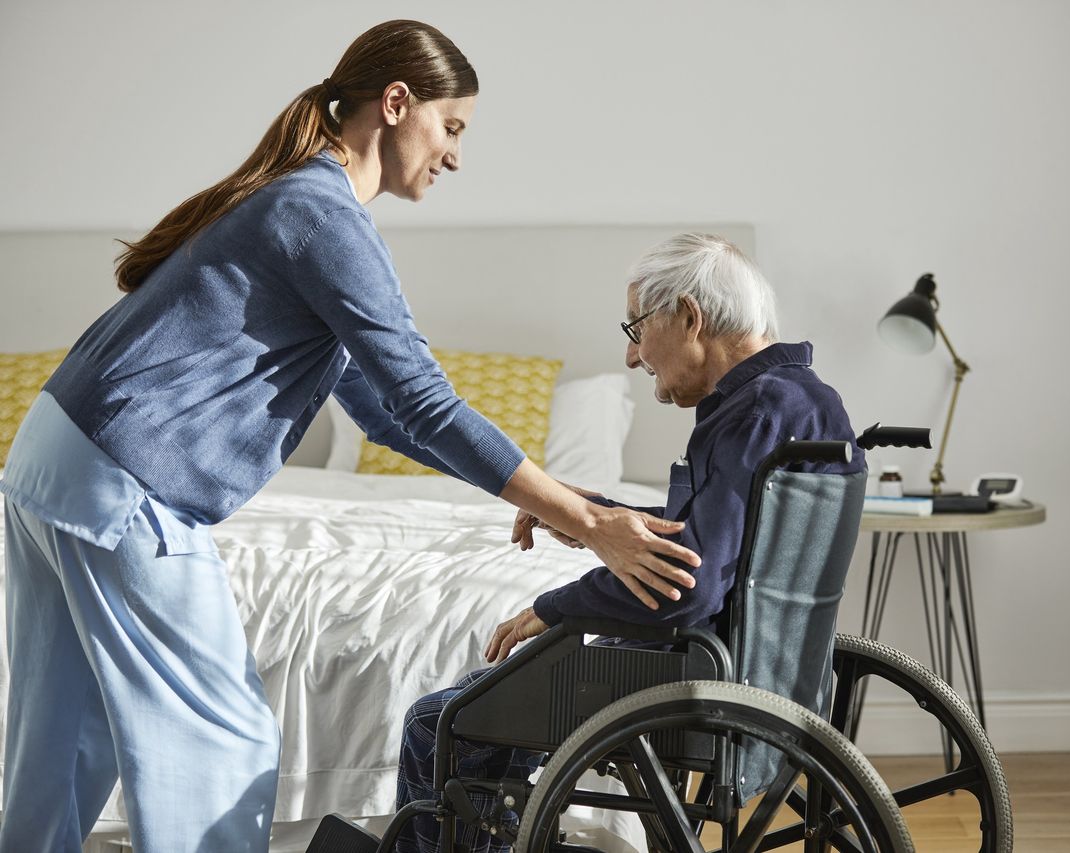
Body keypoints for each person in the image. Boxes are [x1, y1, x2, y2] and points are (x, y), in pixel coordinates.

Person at [0, 21, 700, 853]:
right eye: (453, 127)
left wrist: (559, 496)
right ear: (397, 104)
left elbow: (383, 412)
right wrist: (589, 524)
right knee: (223, 743)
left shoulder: (295, 200)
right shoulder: (321, 213)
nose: (456, 156)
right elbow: (425, 401)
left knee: (62, 742)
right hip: (125, 481)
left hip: (50, 460)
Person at [394, 233, 866, 853]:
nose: (630, 354)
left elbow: (686, 584)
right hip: (756, 663)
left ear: (689, 317)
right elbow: (719, 537)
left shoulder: (751, 412)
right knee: (490, 706)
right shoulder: (800, 400)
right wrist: (593, 513)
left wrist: (554, 606)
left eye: (637, 327)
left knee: (441, 721)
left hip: (692, 668)